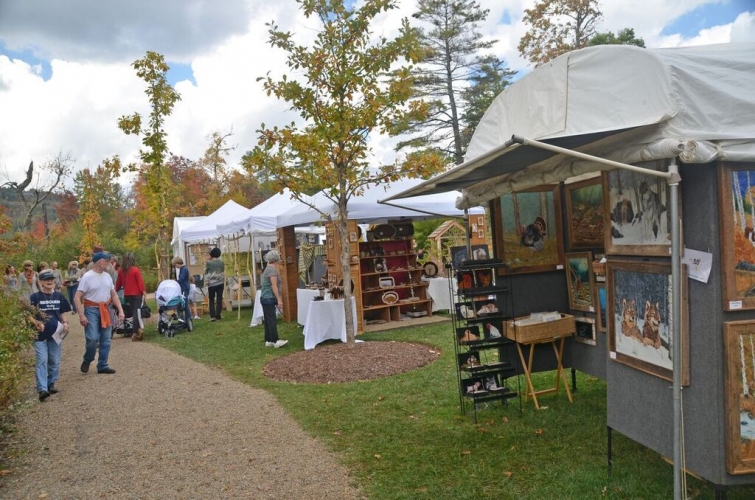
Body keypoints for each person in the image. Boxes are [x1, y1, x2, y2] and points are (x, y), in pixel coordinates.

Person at [74, 251, 124, 375]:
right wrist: (81, 315)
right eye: (106, 261)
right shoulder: (87, 277)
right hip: (91, 309)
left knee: (106, 339)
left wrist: (121, 311)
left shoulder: (107, 276)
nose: (109, 263)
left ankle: (102, 365)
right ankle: (88, 359)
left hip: (107, 308)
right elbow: (77, 297)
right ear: (99, 262)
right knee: (92, 338)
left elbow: (114, 295)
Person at [29, 269, 71, 401]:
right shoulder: (35, 297)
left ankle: (51, 383)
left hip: (56, 334)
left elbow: (63, 311)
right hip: (40, 334)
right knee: (41, 360)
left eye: (51, 280)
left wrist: (65, 323)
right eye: (46, 280)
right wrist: (36, 322)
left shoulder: (59, 296)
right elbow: (28, 314)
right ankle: (42, 389)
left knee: (54, 360)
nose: (49, 282)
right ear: (40, 282)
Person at [115, 252, 147, 341]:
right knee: (137, 312)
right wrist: (143, 292)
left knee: (134, 312)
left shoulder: (121, 270)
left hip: (127, 294)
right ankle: (135, 332)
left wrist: (114, 292)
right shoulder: (135, 269)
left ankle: (137, 330)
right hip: (136, 293)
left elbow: (118, 284)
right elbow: (140, 282)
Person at [260, 250, 287, 348]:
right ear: (276, 259)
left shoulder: (267, 268)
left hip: (264, 298)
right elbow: (274, 286)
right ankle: (275, 341)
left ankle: (268, 340)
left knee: (268, 320)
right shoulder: (272, 270)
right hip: (269, 298)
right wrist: (279, 299)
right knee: (272, 320)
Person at [204, 247, 225, 322]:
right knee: (219, 299)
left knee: (211, 300)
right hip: (220, 282)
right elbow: (222, 272)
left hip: (211, 284)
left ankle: (212, 316)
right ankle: (218, 315)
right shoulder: (222, 262)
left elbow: (206, 272)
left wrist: (206, 282)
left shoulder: (208, 263)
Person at [172, 256, 191, 323]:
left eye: (175, 265)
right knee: (182, 304)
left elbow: (181, 279)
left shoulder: (183, 269)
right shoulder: (183, 269)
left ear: (178, 263)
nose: (175, 267)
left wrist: (175, 281)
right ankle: (183, 319)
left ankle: (188, 319)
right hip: (184, 287)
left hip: (184, 288)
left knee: (184, 304)